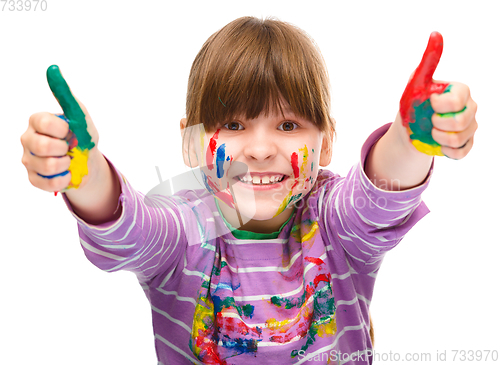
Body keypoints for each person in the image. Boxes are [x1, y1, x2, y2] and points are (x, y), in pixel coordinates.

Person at [20, 16, 477, 365]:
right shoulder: (183, 230)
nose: (260, 149)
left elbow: (377, 198)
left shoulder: (333, 221)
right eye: (235, 124)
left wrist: (409, 139)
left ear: (327, 141)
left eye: (288, 124)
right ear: (192, 142)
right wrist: (85, 173)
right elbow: (132, 230)